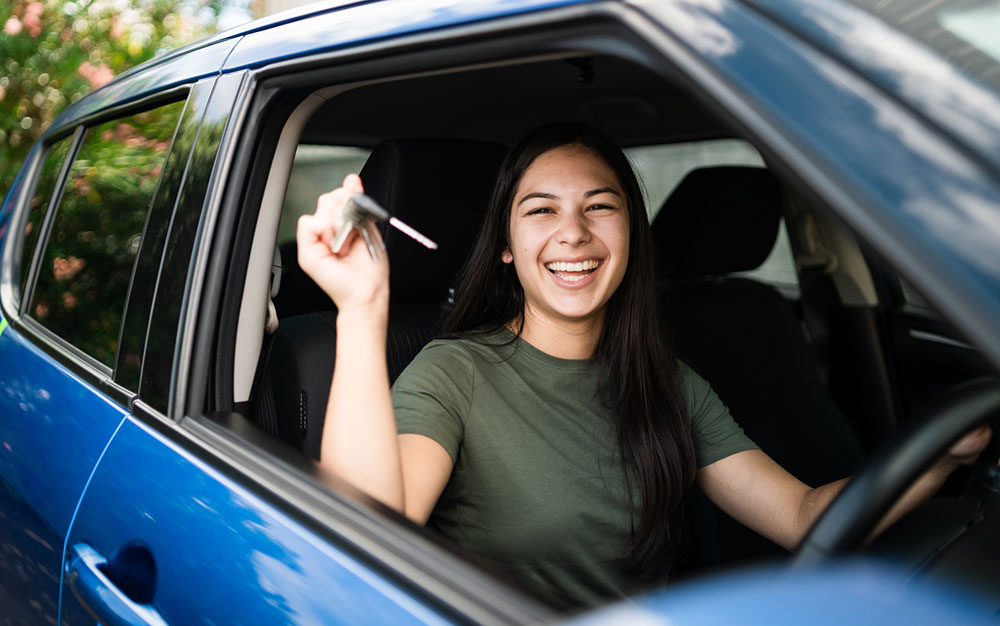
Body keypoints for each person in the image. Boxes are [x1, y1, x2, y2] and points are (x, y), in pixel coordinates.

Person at [296, 123, 991, 610]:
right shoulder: (455, 373)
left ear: (632, 237)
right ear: (505, 246)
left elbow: (804, 516)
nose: (574, 232)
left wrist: (939, 458)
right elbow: (366, 531)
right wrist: (361, 311)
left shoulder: (668, 382)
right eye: (541, 211)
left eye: (601, 207)